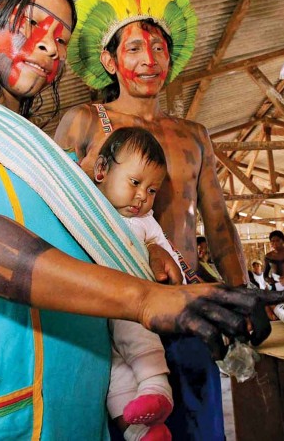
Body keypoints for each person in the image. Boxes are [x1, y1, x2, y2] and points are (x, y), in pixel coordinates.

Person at [0, 0, 284, 440]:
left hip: (78, 405)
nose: (51, 45)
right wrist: (147, 297)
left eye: (62, 37)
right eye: (36, 23)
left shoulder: (37, 153)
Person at [54, 0, 255, 440]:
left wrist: (242, 296)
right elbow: (55, 212)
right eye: (135, 47)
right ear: (109, 61)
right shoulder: (83, 121)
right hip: (115, 314)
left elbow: (219, 225)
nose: (150, 58)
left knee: (200, 429)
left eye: (160, 47)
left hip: (189, 312)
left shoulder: (194, 134)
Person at [95, 127, 177, 441]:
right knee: (113, 373)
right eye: (135, 182)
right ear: (102, 170)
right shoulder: (87, 210)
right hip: (95, 313)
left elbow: (171, 265)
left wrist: (159, 259)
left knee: (137, 336)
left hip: (130, 306)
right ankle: (140, 432)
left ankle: (158, 386)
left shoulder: (144, 223)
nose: (143, 196)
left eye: (152, 190)